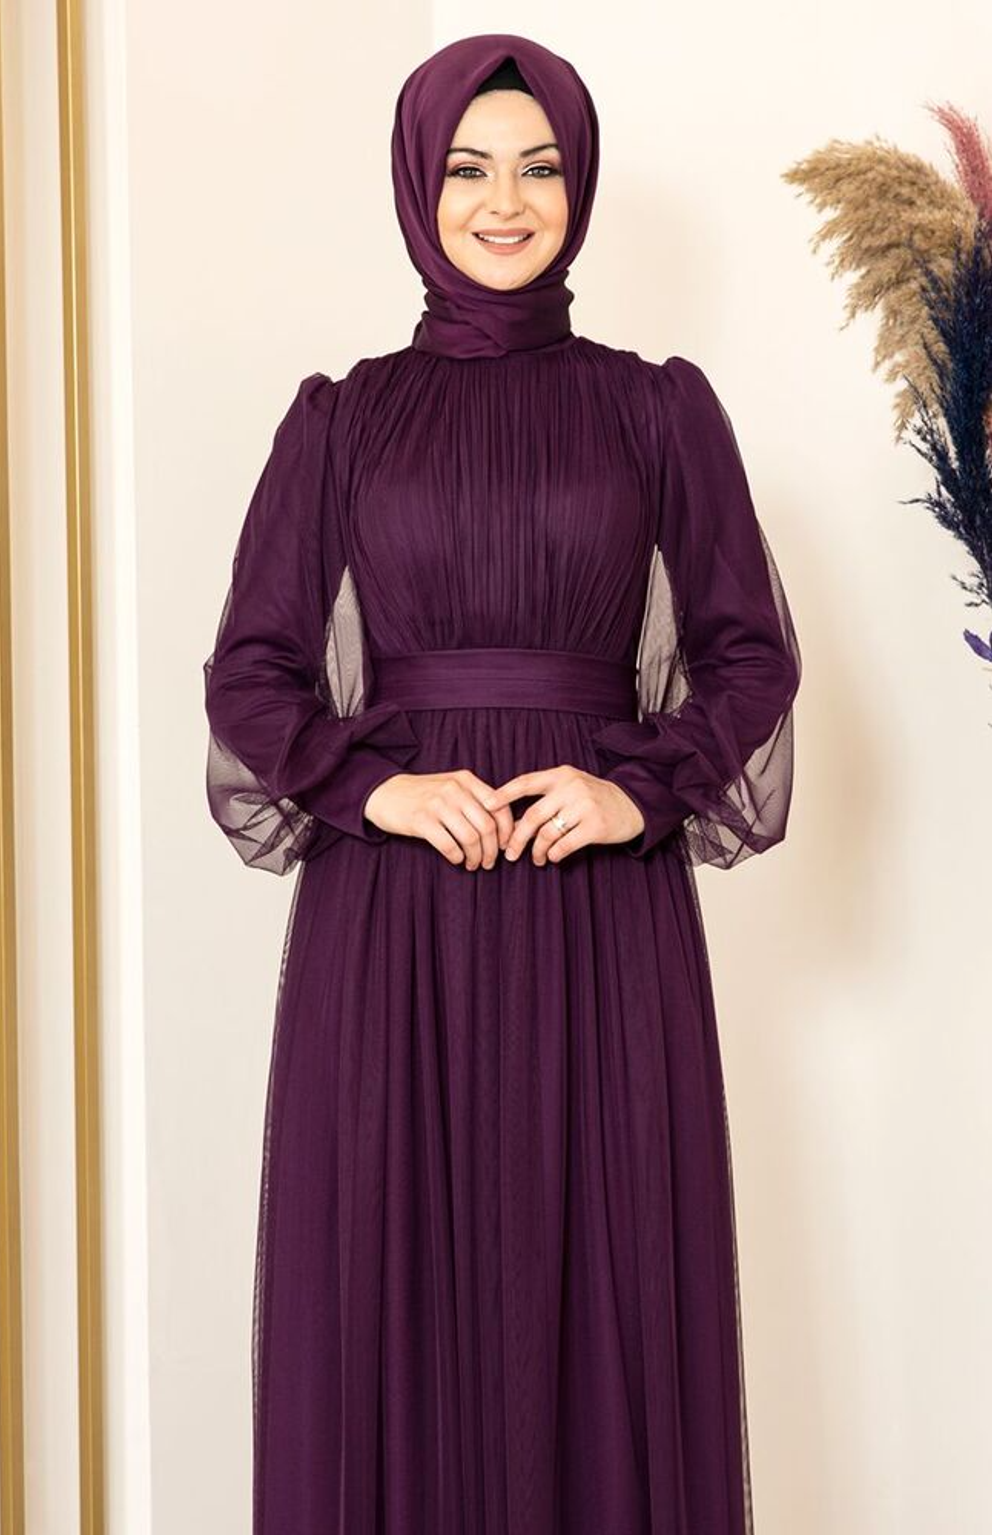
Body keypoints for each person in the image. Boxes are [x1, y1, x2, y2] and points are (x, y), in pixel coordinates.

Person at [203, 31, 801, 1535]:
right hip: (392, 919)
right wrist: (382, 791)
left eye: (539, 167)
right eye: (469, 169)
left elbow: (748, 655)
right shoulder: (340, 419)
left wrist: (635, 791)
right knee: (394, 1293)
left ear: (578, 184)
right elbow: (252, 674)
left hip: (601, 915)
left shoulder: (658, 410)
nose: (506, 201)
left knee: (606, 1286)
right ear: (420, 186)